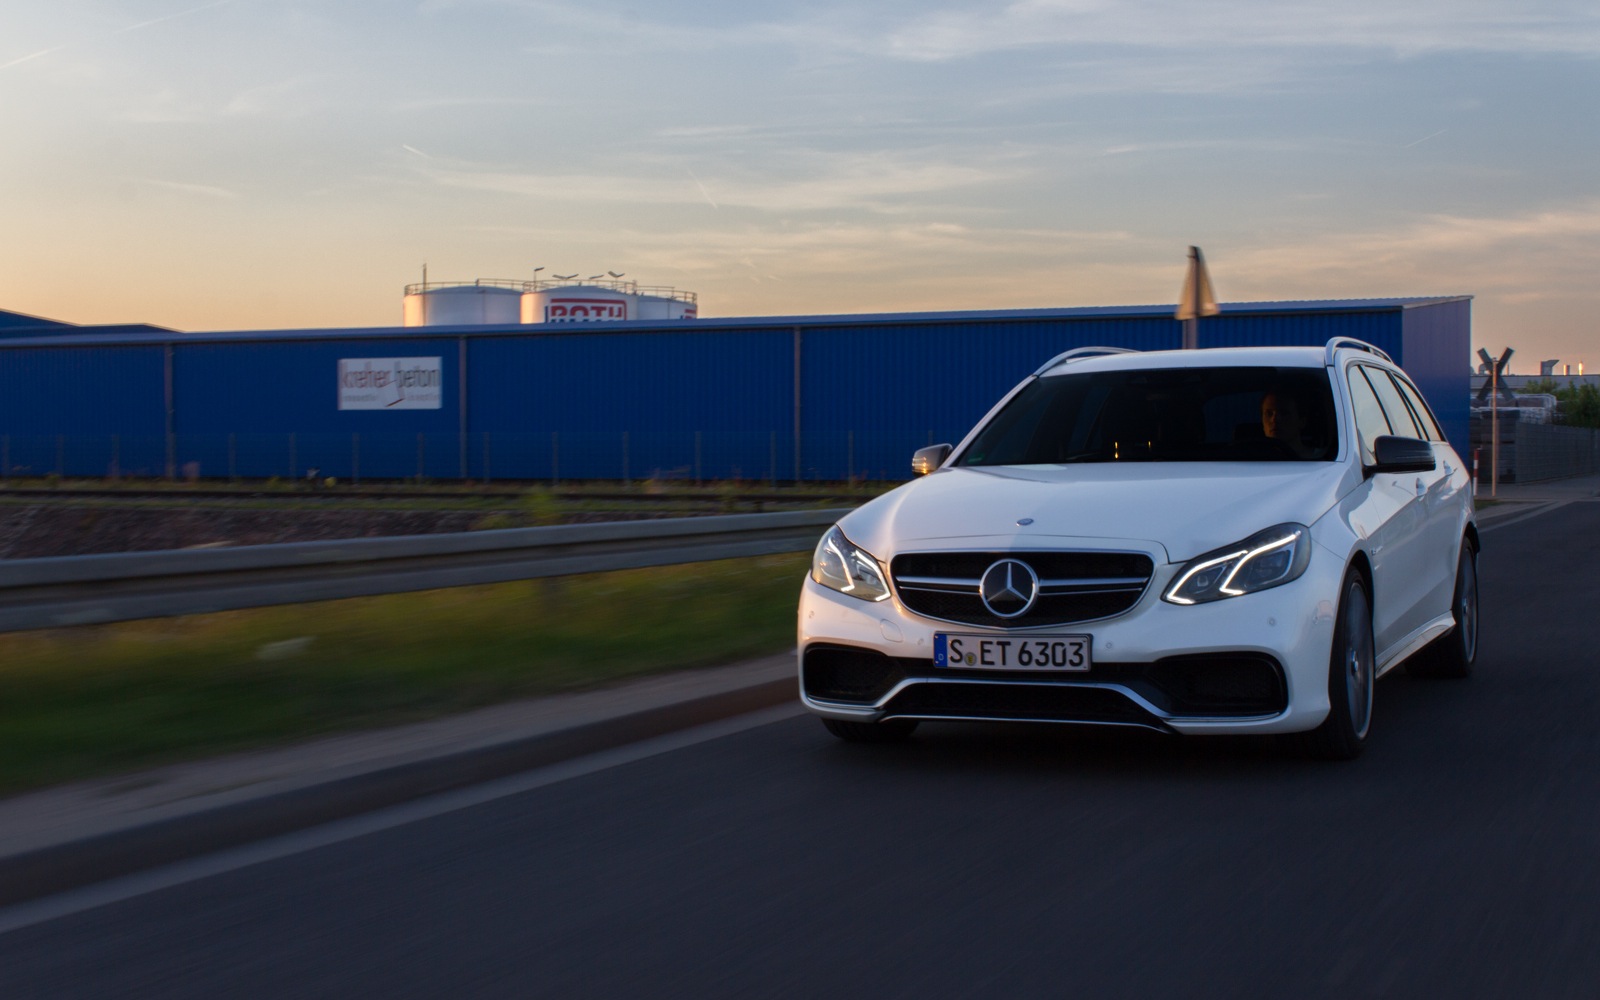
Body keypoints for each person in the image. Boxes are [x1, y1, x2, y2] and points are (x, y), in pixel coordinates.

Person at [1261, 389, 1317, 458]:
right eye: (1269, 413)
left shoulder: (1324, 459)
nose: (1275, 419)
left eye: (1284, 413)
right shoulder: (1254, 462)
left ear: (1302, 421)